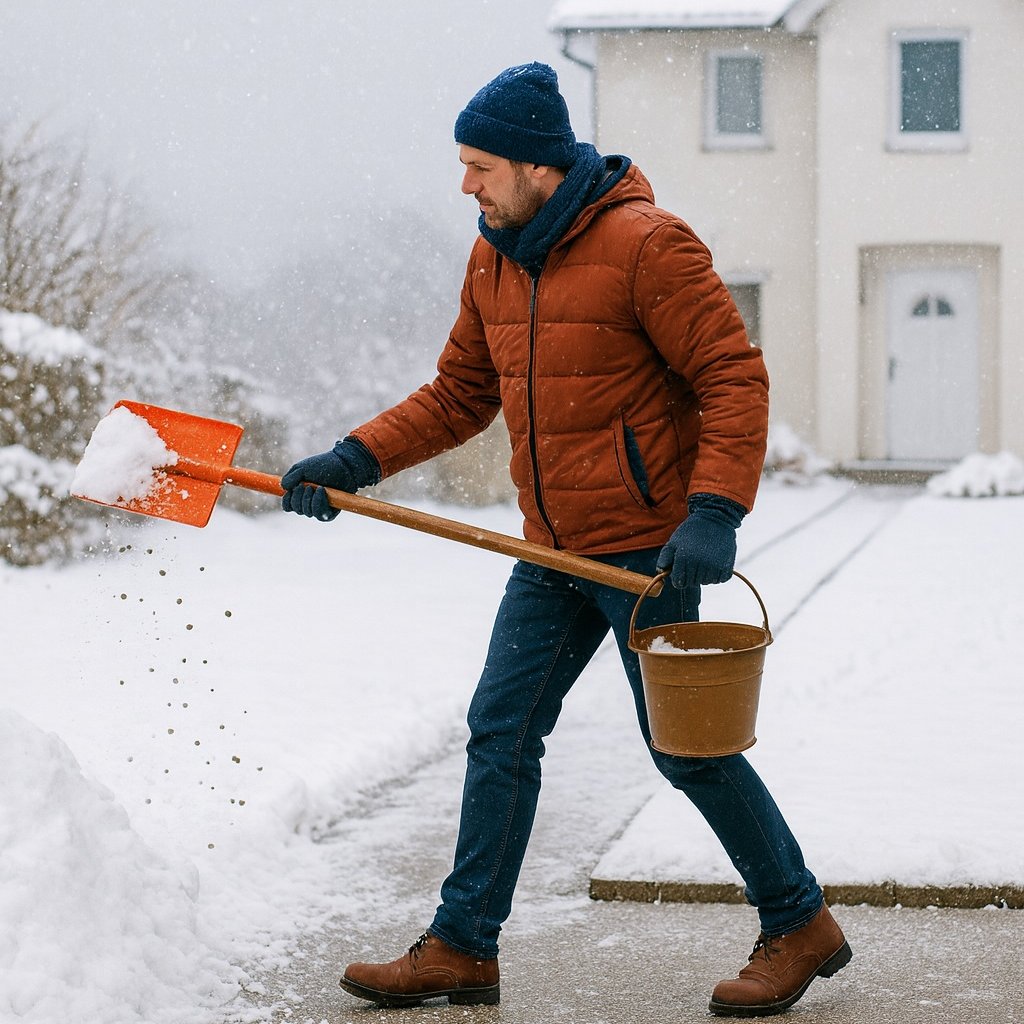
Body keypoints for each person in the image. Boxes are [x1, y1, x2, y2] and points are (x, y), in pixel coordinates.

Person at [280, 62, 851, 1018]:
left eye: (480, 166)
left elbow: (732, 378)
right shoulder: (493, 258)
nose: (466, 185)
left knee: (686, 750)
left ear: (539, 166)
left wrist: (714, 511)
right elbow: (462, 392)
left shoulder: (646, 246)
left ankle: (799, 921)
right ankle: (463, 947)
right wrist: (355, 459)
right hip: (549, 550)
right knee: (499, 733)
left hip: (646, 554)